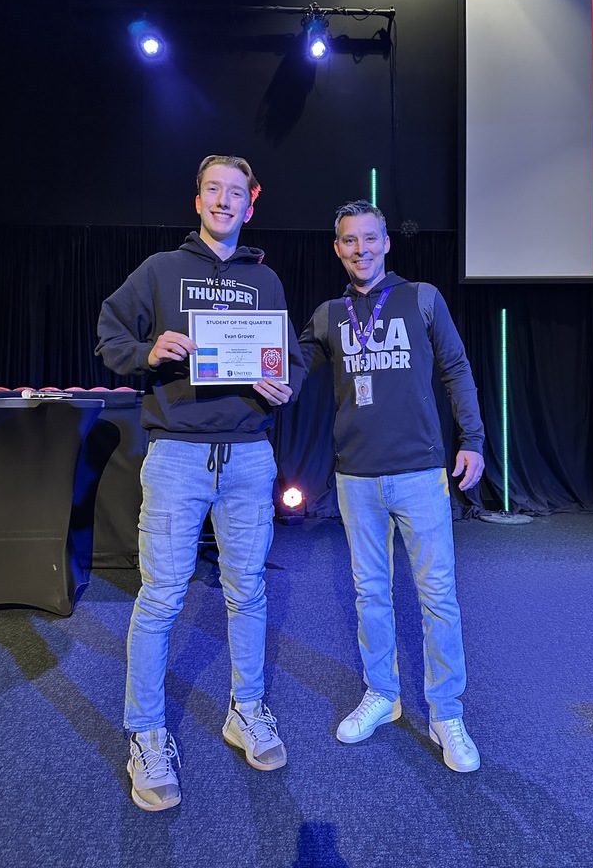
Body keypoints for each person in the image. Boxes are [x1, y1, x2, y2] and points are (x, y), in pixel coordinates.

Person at [96, 154, 304, 811]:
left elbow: (289, 361)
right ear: (198, 201)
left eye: (234, 192)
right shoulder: (161, 271)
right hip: (179, 457)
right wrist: (146, 352)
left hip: (247, 456)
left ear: (252, 202)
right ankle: (146, 734)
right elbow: (109, 335)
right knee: (159, 598)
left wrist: (283, 386)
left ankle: (246, 709)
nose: (223, 201)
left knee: (247, 590)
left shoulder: (265, 282)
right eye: (212, 190)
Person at [298, 199, 485, 772]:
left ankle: (446, 711)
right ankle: (383, 694)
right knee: (370, 594)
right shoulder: (329, 315)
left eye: (371, 238)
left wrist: (472, 439)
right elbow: (285, 365)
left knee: (438, 598)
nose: (361, 249)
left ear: (387, 242)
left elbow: (456, 369)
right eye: (350, 240)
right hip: (355, 476)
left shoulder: (422, 298)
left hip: (421, 473)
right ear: (338, 249)